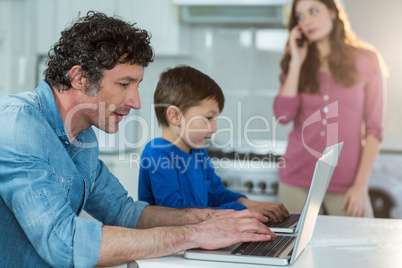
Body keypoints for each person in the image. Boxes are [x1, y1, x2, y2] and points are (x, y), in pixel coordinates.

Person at [0, 12, 276, 267]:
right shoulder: (18, 125)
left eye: (137, 86)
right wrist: (194, 234)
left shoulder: (82, 137)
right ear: (80, 78)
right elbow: (63, 243)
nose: (136, 101)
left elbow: (123, 211)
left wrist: (208, 218)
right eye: (124, 84)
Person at [274, 0, 386, 217]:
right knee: (292, 250)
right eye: (300, 16)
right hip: (297, 181)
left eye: (313, 11)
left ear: (333, 12)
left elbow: (374, 129)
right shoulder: (296, 62)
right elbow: (283, 115)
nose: (307, 21)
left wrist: (361, 185)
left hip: (347, 184)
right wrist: (296, 62)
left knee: (356, 249)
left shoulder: (366, 60)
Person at [138, 65, 290, 222]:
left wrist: (248, 203)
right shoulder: (158, 153)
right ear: (175, 116)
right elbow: (177, 213)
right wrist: (243, 210)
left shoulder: (198, 152)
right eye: (208, 119)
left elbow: (217, 194)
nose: (215, 128)